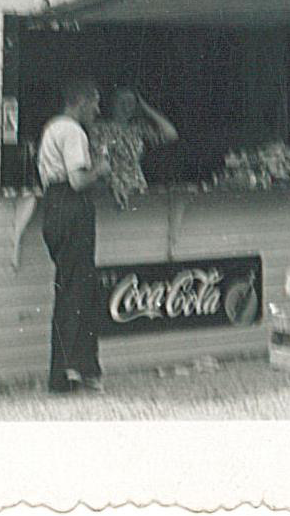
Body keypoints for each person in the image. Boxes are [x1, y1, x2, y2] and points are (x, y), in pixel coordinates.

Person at [37, 78, 108, 393]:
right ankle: (66, 372)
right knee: (76, 291)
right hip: (72, 206)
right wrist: (102, 169)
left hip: (53, 206)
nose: (97, 109)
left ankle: (79, 368)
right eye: (93, 103)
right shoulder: (74, 132)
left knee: (73, 287)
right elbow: (78, 180)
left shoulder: (52, 128)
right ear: (80, 100)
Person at [91, 87, 178, 205]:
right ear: (112, 103)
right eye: (122, 102)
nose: (126, 107)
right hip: (114, 190)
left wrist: (145, 107)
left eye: (130, 103)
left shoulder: (137, 128)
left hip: (138, 186)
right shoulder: (99, 128)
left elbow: (171, 135)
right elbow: (98, 160)